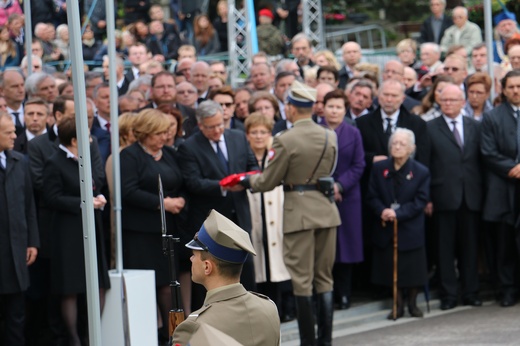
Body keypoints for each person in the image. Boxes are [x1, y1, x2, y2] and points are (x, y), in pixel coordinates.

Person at [241, 80, 341, 346]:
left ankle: (308, 341)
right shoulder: (330, 135)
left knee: (302, 280)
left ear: (293, 108)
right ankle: (326, 340)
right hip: (327, 210)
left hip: (299, 213)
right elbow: (329, 171)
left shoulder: (285, 139)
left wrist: (245, 181)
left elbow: (267, 182)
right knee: (324, 278)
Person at [177, 100, 258, 311]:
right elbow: (193, 182)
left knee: (245, 266)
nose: (217, 130)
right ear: (200, 125)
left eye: (220, 124)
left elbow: (253, 167)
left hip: (239, 214)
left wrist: (243, 181)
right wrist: (222, 186)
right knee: (213, 270)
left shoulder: (237, 137)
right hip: (210, 218)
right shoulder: (189, 146)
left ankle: (247, 310)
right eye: (211, 126)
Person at [120, 109, 186, 341]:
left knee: (170, 286)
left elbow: (179, 181)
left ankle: (174, 337)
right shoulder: (129, 156)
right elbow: (128, 191)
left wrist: (178, 200)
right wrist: (163, 203)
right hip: (141, 234)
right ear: (144, 133)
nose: (163, 138)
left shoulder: (169, 153)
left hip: (168, 233)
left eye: (165, 133)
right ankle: (151, 337)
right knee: (148, 289)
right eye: (158, 133)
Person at [43, 117, 110, 346]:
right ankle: (74, 340)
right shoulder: (55, 162)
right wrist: (83, 203)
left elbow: (94, 185)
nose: (91, 139)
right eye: (87, 135)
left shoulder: (86, 158)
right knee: (71, 287)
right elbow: (51, 197)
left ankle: (93, 336)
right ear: (74, 140)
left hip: (91, 227)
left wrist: (97, 198)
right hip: (68, 232)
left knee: (98, 283)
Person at [172, 209, 280, 345]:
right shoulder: (269, 307)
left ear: (207, 267)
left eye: (194, 255)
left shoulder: (193, 327)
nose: (191, 259)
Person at [427, 84, 483, 310]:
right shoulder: (429, 128)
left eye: (453, 100)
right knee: (444, 250)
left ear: (463, 102)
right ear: (439, 102)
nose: (448, 103)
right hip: (443, 197)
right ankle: (448, 295)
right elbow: (424, 163)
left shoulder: (475, 126)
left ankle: (471, 292)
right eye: (445, 100)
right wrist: (428, 198)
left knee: (470, 249)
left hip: (471, 196)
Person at [366, 128, 430, 319]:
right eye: (394, 143)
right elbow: (371, 196)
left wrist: (398, 213)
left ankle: (412, 304)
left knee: (412, 269)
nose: (397, 147)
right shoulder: (380, 168)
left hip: (410, 227)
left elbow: (421, 200)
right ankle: (397, 305)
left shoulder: (420, 171)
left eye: (402, 144)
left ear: (411, 148)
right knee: (391, 269)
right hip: (387, 226)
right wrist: (383, 211)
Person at [244, 112, 295, 322]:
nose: (258, 136)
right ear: (247, 135)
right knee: (259, 262)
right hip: (254, 213)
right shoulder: (244, 157)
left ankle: (286, 308)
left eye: (263, 132)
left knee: (280, 263)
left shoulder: (276, 155)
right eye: (254, 132)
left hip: (277, 213)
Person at [322, 89, 365, 310]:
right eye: (331, 106)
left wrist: (340, 185)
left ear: (345, 109)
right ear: (323, 107)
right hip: (319, 195)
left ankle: (345, 293)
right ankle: (325, 294)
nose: (335, 111)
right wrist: (329, 185)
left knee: (346, 248)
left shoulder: (353, 132)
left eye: (339, 107)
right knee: (324, 247)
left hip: (348, 197)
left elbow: (359, 165)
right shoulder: (315, 130)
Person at [481, 70, 520, 307]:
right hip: (504, 188)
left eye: (519, 86)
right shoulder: (492, 117)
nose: (516, 90)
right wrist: (513, 168)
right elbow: (488, 153)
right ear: (503, 90)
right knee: (505, 243)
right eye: (512, 87)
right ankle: (507, 289)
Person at [0, 112, 39, 346]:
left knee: (16, 315)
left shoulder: (19, 161)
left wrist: (32, 241)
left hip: (16, 252)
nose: (15, 136)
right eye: (9, 132)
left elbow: (29, 205)